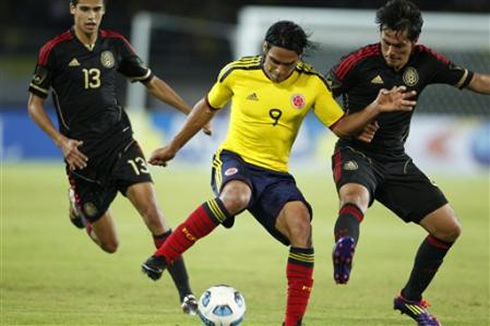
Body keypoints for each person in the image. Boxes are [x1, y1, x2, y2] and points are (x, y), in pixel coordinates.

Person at [139, 20, 416, 326]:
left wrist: (375, 109)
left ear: (298, 59)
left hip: (275, 175)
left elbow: (340, 127)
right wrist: (172, 147)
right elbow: (205, 108)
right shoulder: (237, 72)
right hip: (236, 160)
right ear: (264, 49)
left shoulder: (311, 84)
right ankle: (162, 257)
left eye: (289, 64)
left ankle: (292, 322)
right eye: (275, 61)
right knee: (237, 195)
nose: (280, 70)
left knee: (302, 227)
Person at [26, 0, 210, 314]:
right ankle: (78, 207)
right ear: (73, 9)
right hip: (82, 158)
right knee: (110, 245)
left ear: (103, 11)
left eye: (97, 9)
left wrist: (193, 113)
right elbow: (34, 105)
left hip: (120, 143)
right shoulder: (54, 51)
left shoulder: (115, 45)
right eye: (85, 9)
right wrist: (61, 142)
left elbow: (151, 83)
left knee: (152, 210)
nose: (92, 16)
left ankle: (186, 295)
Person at [325, 0, 490, 325]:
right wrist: (354, 119)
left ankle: (409, 299)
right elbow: (317, 95)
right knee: (354, 196)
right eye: (386, 42)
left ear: (414, 41)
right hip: (355, 152)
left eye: (398, 46)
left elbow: (477, 82)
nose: (390, 51)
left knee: (448, 229)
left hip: (395, 160)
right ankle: (345, 244)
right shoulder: (357, 62)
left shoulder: (428, 61)